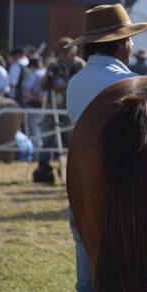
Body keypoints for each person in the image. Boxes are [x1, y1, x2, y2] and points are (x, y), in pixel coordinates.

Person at [65, 3, 147, 292]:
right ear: (119, 44)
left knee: (87, 288)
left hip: (82, 191)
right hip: (125, 193)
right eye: (129, 39)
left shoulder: (74, 83)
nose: (131, 45)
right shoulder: (130, 84)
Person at [34, 37, 85, 183]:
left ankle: (75, 169)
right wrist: (47, 81)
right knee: (47, 136)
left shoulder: (79, 65)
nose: (64, 55)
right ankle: (43, 167)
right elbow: (44, 85)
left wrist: (65, 85)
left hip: (72, 106)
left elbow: (83, 82)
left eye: (67, 51)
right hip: (53, 105)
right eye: (62, 52)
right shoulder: (53, 65)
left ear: (73, 50)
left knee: (72, 138)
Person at [22, 56, 47, 162]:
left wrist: (35, 97)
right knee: (43, 131)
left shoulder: (32, 74)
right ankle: (41, 154)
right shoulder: (46, 72)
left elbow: (27, 92)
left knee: (34, 131)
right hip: (46, 106)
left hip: (33, 105)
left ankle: (35, 155)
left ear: (32, 65)